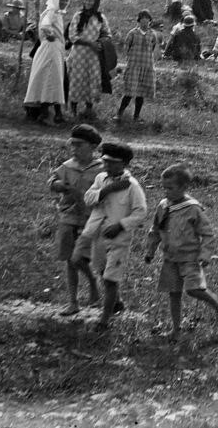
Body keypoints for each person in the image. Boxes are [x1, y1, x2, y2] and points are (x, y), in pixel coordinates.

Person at [144, 163, 218, 338]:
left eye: (170, 188)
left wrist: (205, 254)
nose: (166, 192)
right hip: (170, 257)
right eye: (164, 188)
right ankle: (176, 329)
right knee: (173, 292)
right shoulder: (163, 206)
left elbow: (207, 233)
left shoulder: (193, 208)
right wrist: (150, 249)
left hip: (190, 257)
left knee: (193, 289)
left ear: (184, 188)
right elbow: (156, 229)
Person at [72, 141, 148, 331]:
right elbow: (88, 199)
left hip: (118, 239)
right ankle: (117, 302)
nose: (107, 166)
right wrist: (107, 190)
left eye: (112, 163)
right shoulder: (101, 179)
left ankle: (104, 320)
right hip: (98, 233)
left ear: (124, 164)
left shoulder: (132, 186)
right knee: (97, 268)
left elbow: (141, 212)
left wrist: (121, 225)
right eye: (105, 161)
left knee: (111, 279)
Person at [49, 124, 104, 316]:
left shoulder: (101, 169)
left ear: (93, 147)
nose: (74, 149)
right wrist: (58, 185)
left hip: (90, 218)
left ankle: (93, 283)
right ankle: (72, 301)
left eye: (79, 145)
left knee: (79, 257)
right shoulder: (67, 166)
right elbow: (52, 181)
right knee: (69, 259)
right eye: (72, 145)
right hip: (68, 216)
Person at [24, 0, 70, 124]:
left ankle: (54, 112)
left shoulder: (58, 14)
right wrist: (50, 34)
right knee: (50, 77)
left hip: (56, 49)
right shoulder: (51, 12)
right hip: (50, 49)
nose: (64, 2)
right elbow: (45, 25)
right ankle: (47, 112)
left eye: (66, 0)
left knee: (54, 78)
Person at [66, 0, 111, 121]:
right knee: (76, 79)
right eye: (86, 0)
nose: (87, 2)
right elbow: (72, 36)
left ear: (95, 2)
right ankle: (73, 109)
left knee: (92, 79)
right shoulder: (78, 16)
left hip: (93, 55)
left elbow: (107, 34)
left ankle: (88, 110)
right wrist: (89, 43)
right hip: (79, 54)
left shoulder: (100, 18)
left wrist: (100, 43)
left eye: (90, 0)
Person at [117, 10, 158, 123]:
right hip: (134, 66)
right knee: (129, 92)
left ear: (150, 20)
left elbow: (153, 47)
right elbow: (127, 47)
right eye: (142, 18)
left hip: (146, 66)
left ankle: (136, 116)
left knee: (141, 94)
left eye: (147, 18)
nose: (145, 20)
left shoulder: (152, 34)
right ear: (139, 20)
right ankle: (119, 113)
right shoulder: (132, 33)